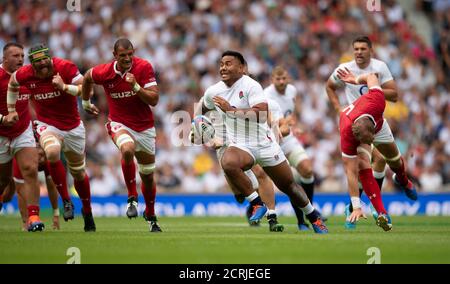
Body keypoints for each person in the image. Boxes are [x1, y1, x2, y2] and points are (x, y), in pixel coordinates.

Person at [200, 50, 328, 234]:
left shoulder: (252, 85)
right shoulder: (213, 91)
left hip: (265, 143)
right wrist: (200, 127)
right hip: (241, 145)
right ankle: (256, 203)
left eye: (228, 63)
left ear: (242, 68)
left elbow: (260, 114)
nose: (223, 67)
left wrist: (231, 110)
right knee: (228, 162)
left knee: (289, 186)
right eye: (221, 64)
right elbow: (202, 108)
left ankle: (314, 217)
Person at [326, 36, 417, 229]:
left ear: (371, 51)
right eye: (356, 48)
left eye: (363, 49)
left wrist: (370, 88)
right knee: (361, 164)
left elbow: (394, 95)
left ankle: (402, 179)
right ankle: (365, 209)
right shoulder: (343, 69)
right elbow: (329, 86)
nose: (359, 52)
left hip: (376, 119)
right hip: (355, 125)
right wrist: (338, 108)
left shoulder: (379, 68)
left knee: (391, 160)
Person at [6, 43, 96, 232]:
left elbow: (87, 89)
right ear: (32, 64)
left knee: (79, 173)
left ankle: (87, 212)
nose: (42, 64)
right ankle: (66, 202)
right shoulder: (25, 74)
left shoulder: (65, 67)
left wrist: (64, 87)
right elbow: (12, 84)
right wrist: (12, 109)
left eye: (45, 59)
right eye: (37, 61)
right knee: (52, 152)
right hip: (47, 125)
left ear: (50, 58)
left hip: (73, 127)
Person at [81, 38, 162, 233]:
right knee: (127, 148)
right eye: (123, 55)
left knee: (148, 176)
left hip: (144, 128)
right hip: (119, 123)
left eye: (130, 54)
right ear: (114, 55)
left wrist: (135, 87)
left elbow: (154, 100)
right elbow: (87, 77)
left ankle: (150, 213)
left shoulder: (143, 67)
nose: (127, 58)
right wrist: (85, 102)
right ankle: (132, 197)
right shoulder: (105, 71)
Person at [336, 69, 395, 231]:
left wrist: (355, 79)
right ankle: (375, 211)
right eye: (367, 142)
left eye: (369, 141)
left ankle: (378, 210)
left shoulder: (378, 100)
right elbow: (350, 170)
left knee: (381, 159)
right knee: (361, 164)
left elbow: (372, 76)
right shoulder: (348, 132)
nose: (370, 143)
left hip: (368, 116)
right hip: (350, 124)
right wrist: (357, 205)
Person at [264, 66, 319, 231]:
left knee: (307, 169)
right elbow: (271, 125)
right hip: (271, 143)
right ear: (272, 80)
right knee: (289, 182)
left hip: (287, 140)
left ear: (288, 78)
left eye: (284, 78)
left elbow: (291, 115)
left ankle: (310, 210)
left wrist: (292, 125)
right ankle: (302, 220)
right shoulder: (266, 96)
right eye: (278, 79)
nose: (282, 82)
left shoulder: (292, 91)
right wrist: (286, 124)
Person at [0, 42, 44, 232]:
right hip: (1, 134)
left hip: (22, 131)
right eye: (15, 56)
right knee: (3, 182)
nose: (20, 59)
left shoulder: (27, 75)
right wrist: (2, 119)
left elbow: (36, 101)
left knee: (30, 169)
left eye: (22, 56)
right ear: (4, 59)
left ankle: (33, 217)